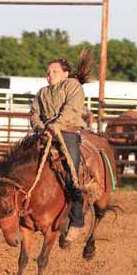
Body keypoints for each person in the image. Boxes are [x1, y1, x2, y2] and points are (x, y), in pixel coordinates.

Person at [30, 56, 90, 245]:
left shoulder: (72, 87)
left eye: (55, 72)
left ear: (65, 73)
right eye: (48, 73)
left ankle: (77, 221)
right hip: (46, 134)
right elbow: (34, 114)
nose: (50, 75)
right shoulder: (42, 92)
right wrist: (41, 128)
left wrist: (55, 126)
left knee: (70, 172)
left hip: (67, 133)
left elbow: (71, 110)